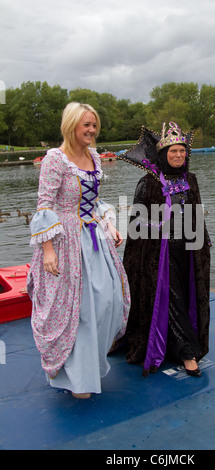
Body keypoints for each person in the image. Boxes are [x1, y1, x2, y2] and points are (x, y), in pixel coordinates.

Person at [27, 102, 130, 399]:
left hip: (93, 238)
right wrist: (48, 250)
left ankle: (91, 366)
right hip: (65, 241)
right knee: (78, 310)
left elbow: (94, 202)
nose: (92, 130)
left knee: (107, 302)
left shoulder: (93, 156)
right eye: (86, 125)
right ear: (71, 125)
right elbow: (44, 206)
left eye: (94, 125)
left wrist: (108, 224)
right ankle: (76, 377)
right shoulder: (55, 160)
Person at [119, 121, 211, 377]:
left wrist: (203, 242)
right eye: (173, 151)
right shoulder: (148, 183)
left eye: (182, 151)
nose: (179, 155)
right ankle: (187, 353)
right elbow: (136, 222)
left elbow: (196, 216)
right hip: (159, 253)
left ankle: (177, 343)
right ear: (163, 154)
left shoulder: (191, 179)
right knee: (171, 299)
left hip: (189, 250)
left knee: (185, 296)